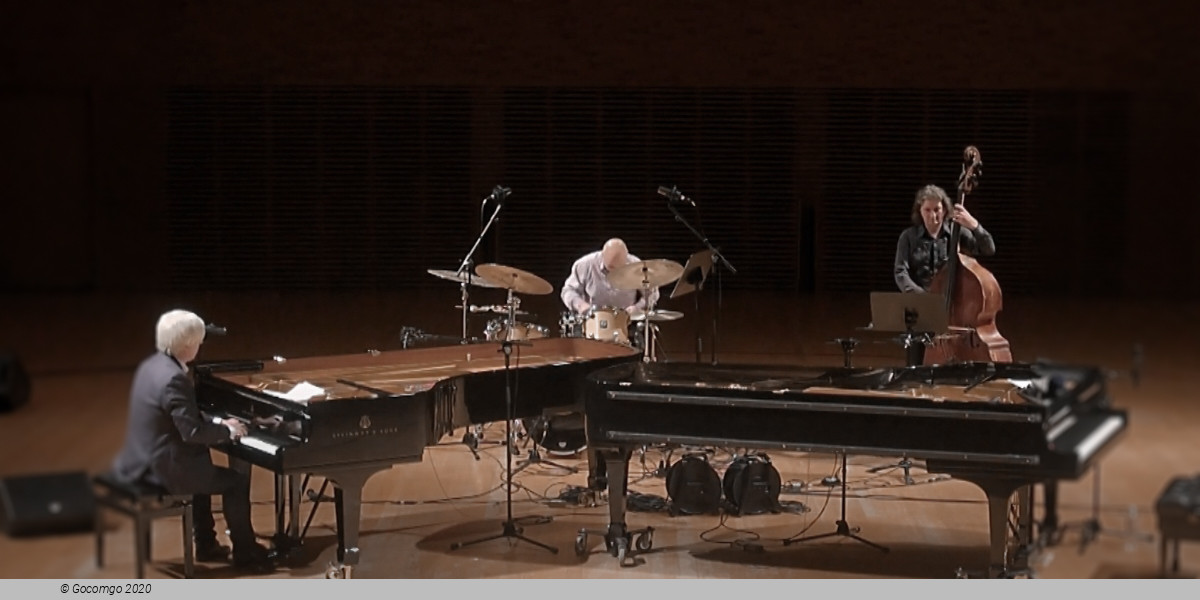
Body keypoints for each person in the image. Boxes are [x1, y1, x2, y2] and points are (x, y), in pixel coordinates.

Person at [110, 309, 275, 572]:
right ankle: (246, 553)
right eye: (198, 342)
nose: (200, 346)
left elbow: (183, 416)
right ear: (188, 346)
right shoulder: (175, 379)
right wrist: (228, 432)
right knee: (235, 482)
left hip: (147, 457)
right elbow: (192, 433)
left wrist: (220, 422)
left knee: (202, 462)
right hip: (166, 469)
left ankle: (207, 543)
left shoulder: (153, 366)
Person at [894, 184, 995, 293]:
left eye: (937, 209)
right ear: (920, 211)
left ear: (945, 211)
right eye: (927, 210)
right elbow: (901, 271)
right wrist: (919, 295)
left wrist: (974, 225)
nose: (933, 215)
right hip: (919, 302)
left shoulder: (957, 232)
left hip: (954, 301)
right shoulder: (908, 237)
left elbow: (989, 249)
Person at [561, 238, 660, 315]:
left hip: (626, 323)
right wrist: (580, 305)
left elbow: (652, 294)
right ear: (602, 256)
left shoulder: (636, 266)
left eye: (619, 269)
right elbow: (567, 291)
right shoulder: (585, 264)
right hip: (591, 322)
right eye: (611, 268)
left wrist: (637, 307)